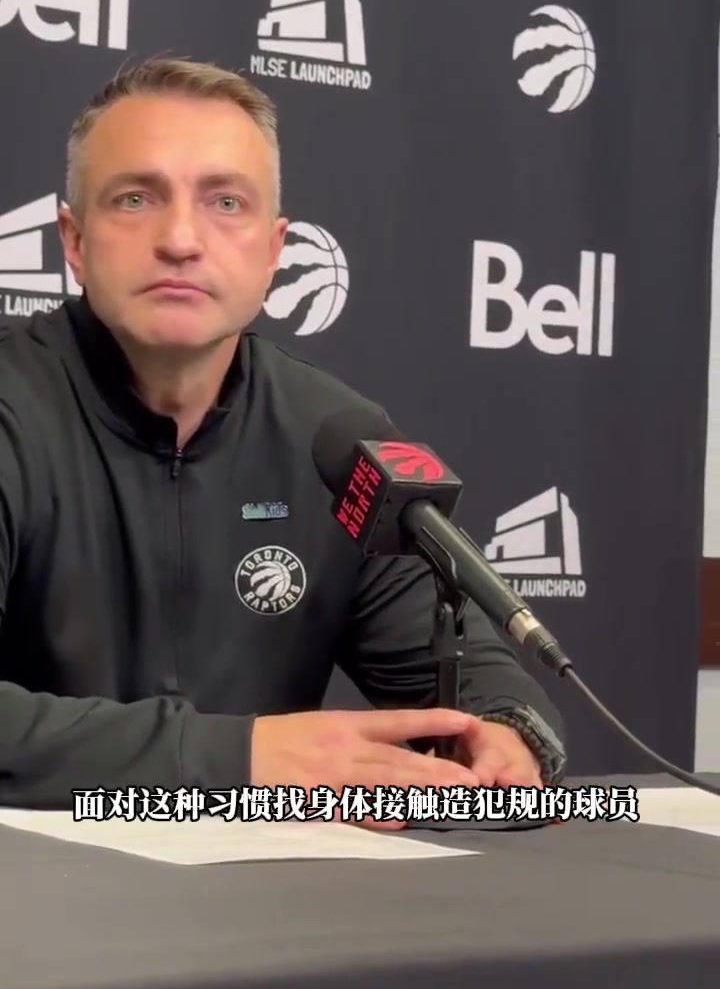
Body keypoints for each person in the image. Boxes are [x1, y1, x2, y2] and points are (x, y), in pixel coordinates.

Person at [0, 56, 566, 822]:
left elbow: (473, 675)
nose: (180, 239)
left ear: (273, 251)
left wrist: (505, 735)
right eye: (135, 199)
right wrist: (242, 759)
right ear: (73, 240)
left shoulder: (333, 437)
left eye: (225, 203)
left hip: (266, 893)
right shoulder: (13, 407)